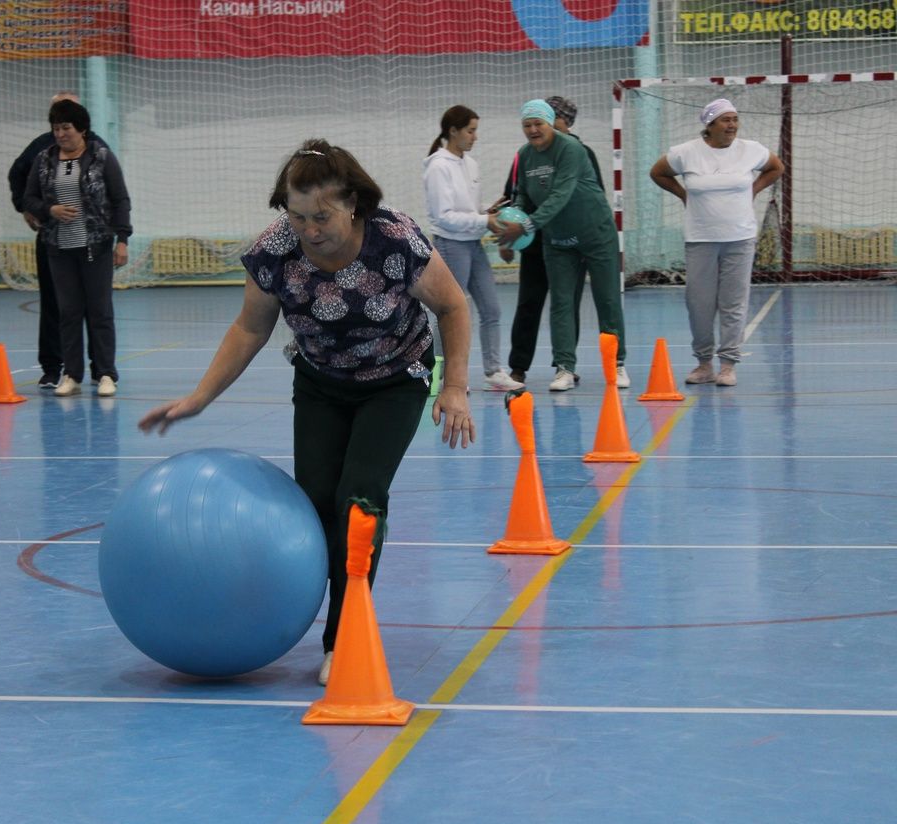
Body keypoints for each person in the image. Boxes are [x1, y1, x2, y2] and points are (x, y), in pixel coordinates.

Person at [139, 140, 475, 686]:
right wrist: (200, 397)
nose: (309, 229)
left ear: (354, 205)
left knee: (359, 502)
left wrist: (454, 386)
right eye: (296, 215)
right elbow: (250, 327)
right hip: (320, 384)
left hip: (396, 381)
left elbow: (453, 306)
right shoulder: (275, 252)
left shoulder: (395, 239)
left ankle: (344, 638)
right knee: (316, 507)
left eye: (322, 216)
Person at [491, 99, 628, 392]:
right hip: (558, 239)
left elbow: (560, 194)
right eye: (527, 125)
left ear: (551, 123)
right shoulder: (525, 155)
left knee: (607, 300)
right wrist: (515, 216)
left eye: (538, 123)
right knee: (562, 303)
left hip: (595, 233)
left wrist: (526, 225)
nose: (533, 130)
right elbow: (524, 195)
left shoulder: (572, 149)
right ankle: (564, 368)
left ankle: (617, 364)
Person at [649, 98, 784, 387]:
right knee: (699, 304)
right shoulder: (686, 153)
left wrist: (754, 190)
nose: (732, 124)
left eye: (735, 119)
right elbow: (657, 173)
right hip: (700, 239)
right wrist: (684, 195)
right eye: (725, 120)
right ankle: (703, 363)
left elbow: (776, 168)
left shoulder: (752, 150)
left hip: (740, 238)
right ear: (709, 125)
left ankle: (728, 365)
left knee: (733, 303)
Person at [21, 99, 130, 398]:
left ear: (81, 129)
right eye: (55, 128)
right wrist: (49, 210)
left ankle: (106, 373)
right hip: (59, 248)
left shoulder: (102, 157)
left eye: (66, 128)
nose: (60, 134)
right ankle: (71, 374)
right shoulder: (44, 160)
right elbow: (28, 199)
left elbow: (120, 199)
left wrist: (122, 238)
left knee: (100, 312)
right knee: (68, 312)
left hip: (96, 246)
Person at [7, 91, 109, 390]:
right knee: (55, 305)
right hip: (54, 241)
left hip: (91, 242)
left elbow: (114, 192)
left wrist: (116, 234)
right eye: (56, 118)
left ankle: (99, 368)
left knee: (95, 306)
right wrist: (26, 207)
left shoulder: (98, 148)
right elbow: (17, 175)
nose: (61, 127)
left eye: (68, 118)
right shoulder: (40, 150)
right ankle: (53, 368)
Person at [423, 105, 522, 392]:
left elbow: (468, 210)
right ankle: (437, 374)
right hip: (451, 246)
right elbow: (444, 217)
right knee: (450, 311)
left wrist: (487, 212)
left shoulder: (471, 164)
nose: (475, 136)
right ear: (453, 131)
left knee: (491, 308)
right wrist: (483, 220)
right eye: (470, 130)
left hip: (473, 245)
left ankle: (493, 370)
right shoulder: (438, 166)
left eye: (475, 130)